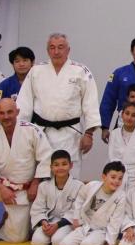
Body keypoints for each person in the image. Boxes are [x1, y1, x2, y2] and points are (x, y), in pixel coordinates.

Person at [16, 33, 100, 167]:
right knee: (43, 171)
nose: (56, 52)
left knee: (70, 173)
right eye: (52, 47)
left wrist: (89, 134)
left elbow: (91, 104)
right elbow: (24, 103)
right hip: (42, 132)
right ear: (47, 50)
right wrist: (21, 131)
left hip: (71, 134)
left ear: (68, 50)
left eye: (60, 47)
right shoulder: (36, 71)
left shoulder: (80, 71)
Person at [0, 98, 53, 243]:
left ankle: (6, 222)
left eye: (10, 112)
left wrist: (36, 183)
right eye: (1, 113)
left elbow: (46, 158)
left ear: (17, 112)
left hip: (25, 189)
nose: (6, 116)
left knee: (17, 238)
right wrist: (1, 188)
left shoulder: (32, 130)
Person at [60, 161, 127, 245]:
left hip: (101, 230)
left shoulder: (120, 196)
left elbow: (116, 220)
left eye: (120, 178)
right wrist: (76, 218)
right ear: (104, 177)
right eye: (113, 177)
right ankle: (87, 240)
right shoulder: (92, 185)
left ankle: (95, 241)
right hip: (85, 225)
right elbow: (80, 198)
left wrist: (109, 243)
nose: (116, 181)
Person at [30, 150, 84, 245]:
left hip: (67, 222)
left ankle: (61, 237)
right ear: (51, 167)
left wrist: (58, 225)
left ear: (71, 165)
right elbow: (37, 208)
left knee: (57, 241)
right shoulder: (43, 186)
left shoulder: (79, 186)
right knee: (37, 243)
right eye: (56, 165)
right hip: (49, 221)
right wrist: (44, 222)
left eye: (64, 164)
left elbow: (76, 211)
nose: (60, 168)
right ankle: (49, 236)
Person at [0, 46, 35, 127]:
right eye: (17, 61)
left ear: (32, 62)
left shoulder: (39, 84)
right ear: (12, 64)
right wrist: (2, 128)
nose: (21, 64)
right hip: (9, 128)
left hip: (35, 127)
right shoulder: (3, 86)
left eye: (25, 60)